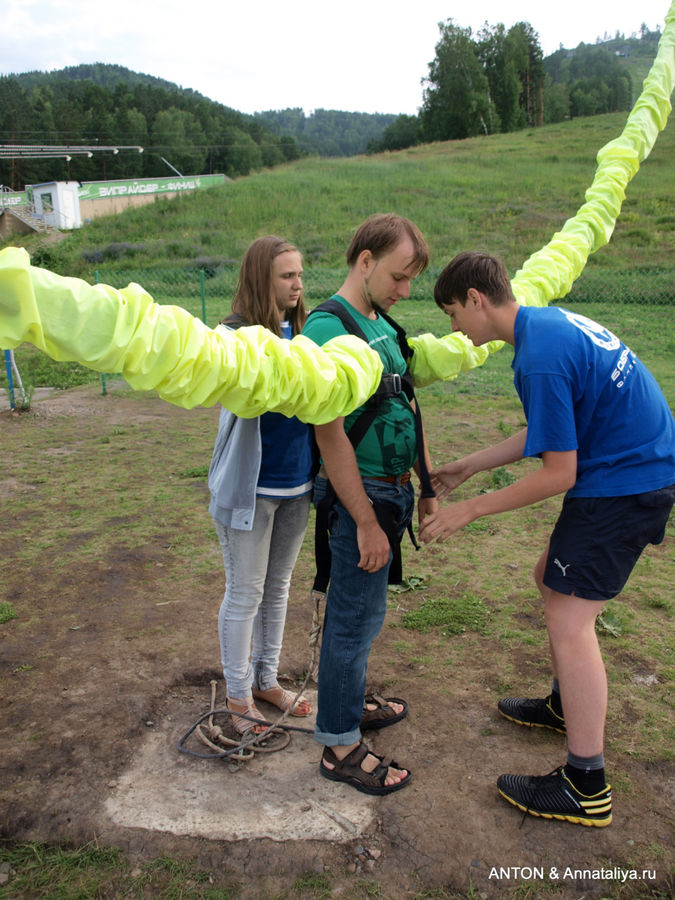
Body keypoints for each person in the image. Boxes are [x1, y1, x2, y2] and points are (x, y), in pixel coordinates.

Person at [420, 250, 675, 826]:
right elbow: (551, 427)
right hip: (633, 470)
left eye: (453, 314)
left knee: (569, 619)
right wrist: (470, 466)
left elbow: (558, 471)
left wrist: (469, 511)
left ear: (477, 301)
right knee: (548, 580)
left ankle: (586, 782)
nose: (454, 328)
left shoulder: (537, 357)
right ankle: (566, 705)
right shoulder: (548, 325)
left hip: (625, 483)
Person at [301, 213, 438, 794]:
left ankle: (348, 704)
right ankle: (338, 745)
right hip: (362, 500)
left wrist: (426, 486)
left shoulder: (380, 323)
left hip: (393, 494)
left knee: (366, 617)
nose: (406, 291)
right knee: (352, 623)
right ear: (365, 261)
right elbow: (328, 434)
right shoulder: (328, 331)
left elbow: (405, 404)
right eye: (399, 277)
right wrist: (363, 519)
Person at [208, 236, 314, 735]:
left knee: (278, 590)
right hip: (250, 490)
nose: (297, 285)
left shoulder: (308, 330)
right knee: (245, 592)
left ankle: (267, 682)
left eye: (299, 274)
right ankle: (235, 694)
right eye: (286, 276)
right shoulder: (231, 335)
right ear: (261, 279)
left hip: (297, 485)